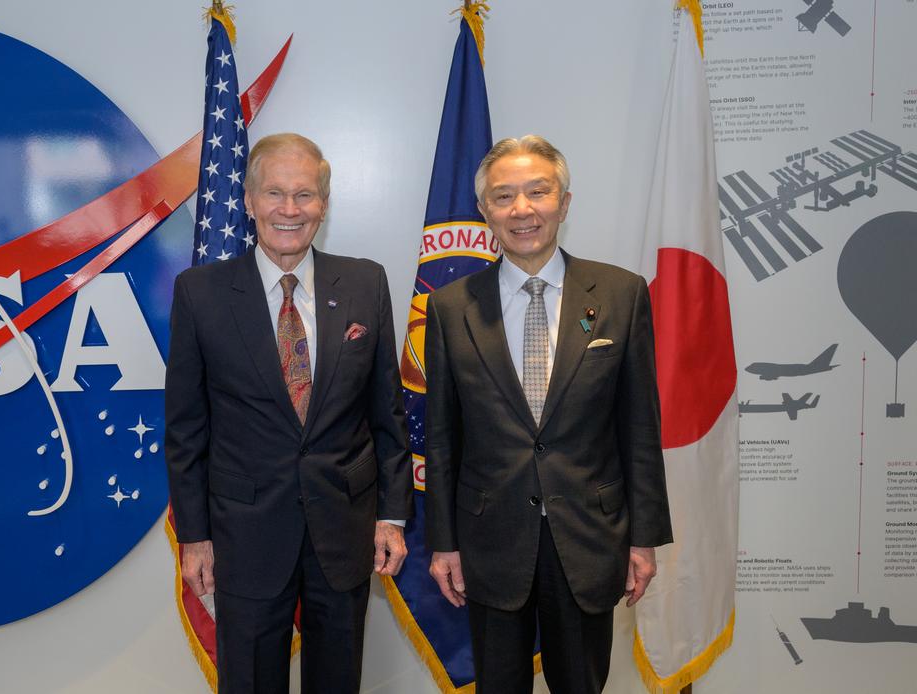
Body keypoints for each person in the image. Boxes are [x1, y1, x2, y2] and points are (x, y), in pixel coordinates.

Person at [423, 135, 673, 693]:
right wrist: (443, 543)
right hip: (490, 542)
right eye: (504, 196)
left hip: (589, 537)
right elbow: (442, 439)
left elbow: (639, 428)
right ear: (485, 211)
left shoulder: (620, 293)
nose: (522, 209)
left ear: (564, 201)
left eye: (538, 191)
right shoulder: (450, 307)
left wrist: (644, 537)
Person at [166, 132, 413, 693]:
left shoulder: (366, 283)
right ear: (248, 201)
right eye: (274, 193)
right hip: (244, 533)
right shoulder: (199, 292)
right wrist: (195, 537)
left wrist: (392, 518)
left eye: (304, 194)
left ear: (323, 205)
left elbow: (386, 413)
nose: (289, 209)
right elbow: (185, 430)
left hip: (345, 531)